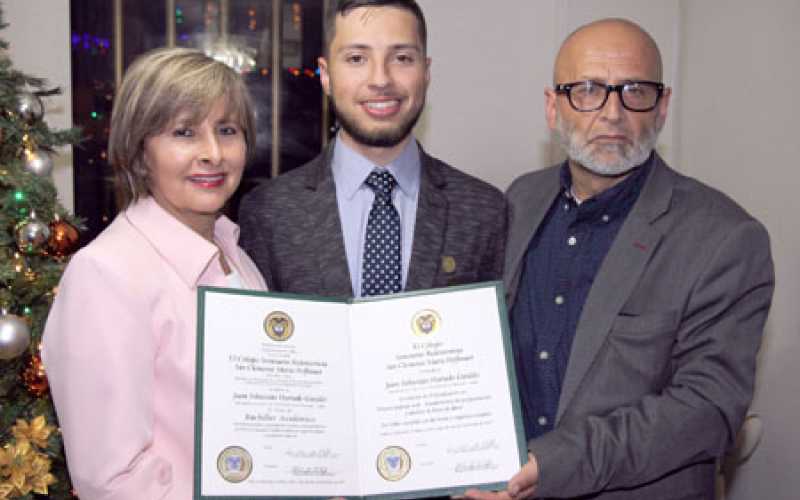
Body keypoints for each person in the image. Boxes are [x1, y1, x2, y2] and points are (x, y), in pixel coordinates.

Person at [466, 18, 774, 500]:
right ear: (553, 107)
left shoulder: (726, 239)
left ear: (663, 106)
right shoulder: (521, 200)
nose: (612, 113)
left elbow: (707, 410)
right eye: (587, 90)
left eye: (634, 90)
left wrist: (552, 464)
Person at [42, 47, 266, 499]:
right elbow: (113, 481)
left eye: (227, 130)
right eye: (184, 132)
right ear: (140, 151)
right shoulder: (105, 275)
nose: (213, 153)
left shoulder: (232, 250)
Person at [239, 0, 506, 298]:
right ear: (326, 75)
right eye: (356, 59)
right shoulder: (268, 212)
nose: (380, 79)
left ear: (426, 72)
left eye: (402, 58)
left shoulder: (485, 211)